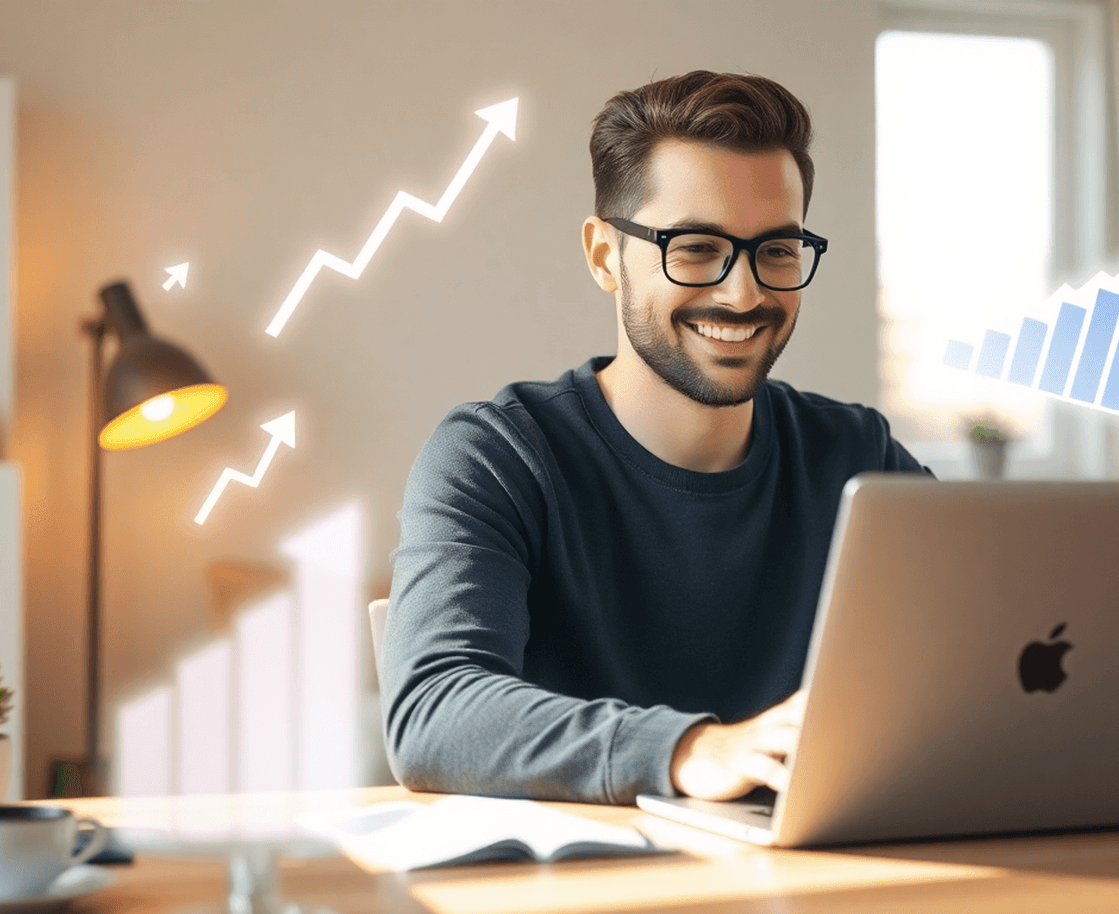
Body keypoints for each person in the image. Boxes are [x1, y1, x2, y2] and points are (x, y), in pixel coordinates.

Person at [381, 70, 931, 806]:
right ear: (605, 255)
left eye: (778, 249)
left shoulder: (856, 456)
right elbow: (434, 712)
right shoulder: (495, 456)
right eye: (698, 247)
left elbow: (991, 659)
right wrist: (691, 750)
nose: (745, 294)